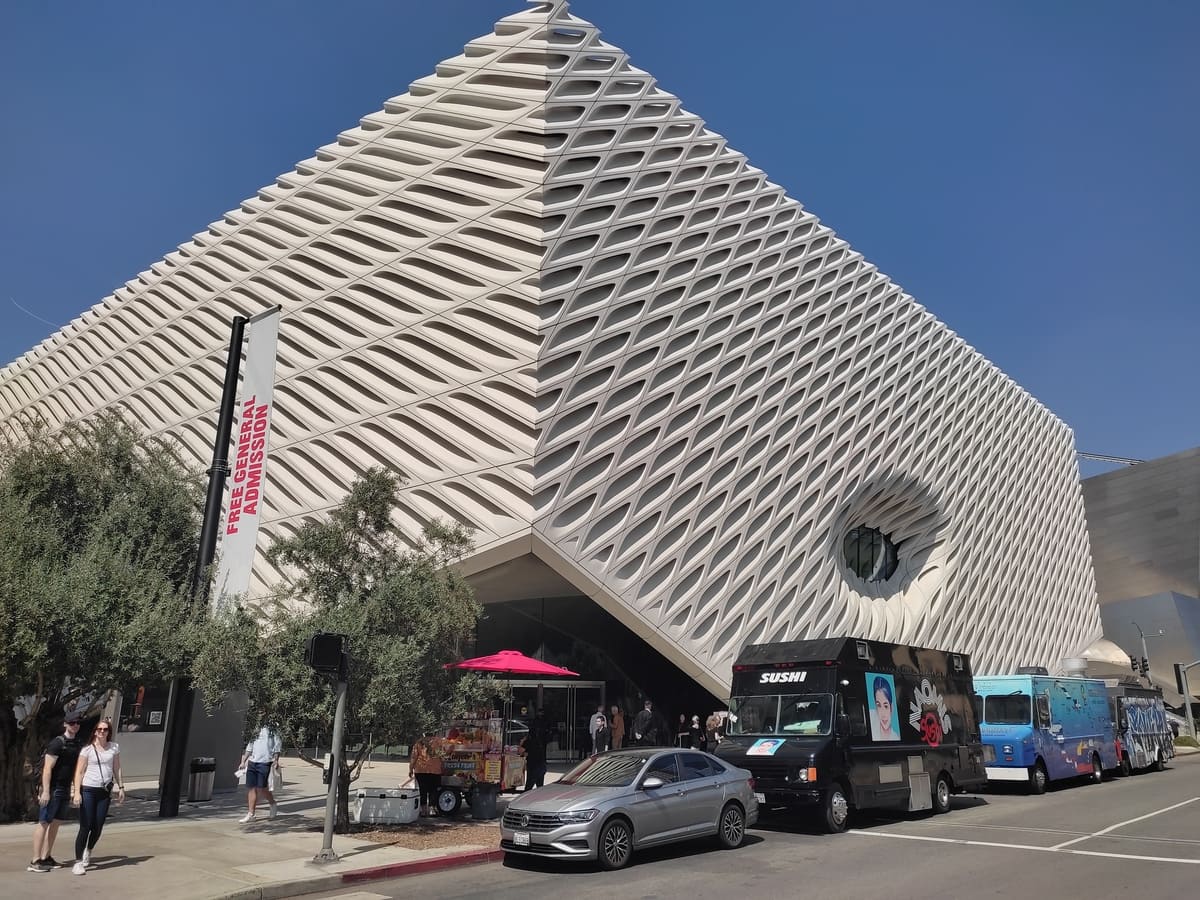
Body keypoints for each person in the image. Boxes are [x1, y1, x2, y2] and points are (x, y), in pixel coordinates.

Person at [29, 709, 84, 873]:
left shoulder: (78, 743)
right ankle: (35, 860)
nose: (75, 726)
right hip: (53, 789)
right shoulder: (57, 743)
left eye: (78, 723)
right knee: (44, 822)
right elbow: (47, 769)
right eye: (72, 722)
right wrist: (45, 791)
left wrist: (75, 789)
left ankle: (47, 856)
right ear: (66, 724)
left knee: (56, 823)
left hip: (65, 788)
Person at [70, 719, 123, 875]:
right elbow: (79, 772)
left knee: (98, 826)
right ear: (94, 731)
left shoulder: (114, 747)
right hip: (88, 790)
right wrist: (77, 792)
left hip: (104, 792)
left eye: (105, 729)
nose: (102, 732)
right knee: (85, 826)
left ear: (109, 732)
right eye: (99, 729)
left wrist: (121, 787)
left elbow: (117, 768)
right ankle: (78, 862)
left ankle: (89, 850)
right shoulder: (87, 750)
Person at [236, 724, 282, 824]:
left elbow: (277, 745)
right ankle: (251, 814)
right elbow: (250, 746)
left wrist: (276, 759)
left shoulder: (273, 728)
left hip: (265, 762)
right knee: (252, 788)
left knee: (262, 788)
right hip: (253, 762)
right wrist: (243, 761)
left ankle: (272, 803)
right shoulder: (255, 727)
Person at [409, 732, 444, 817]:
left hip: (421, 770)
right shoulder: (438, 742)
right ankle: (432, 809)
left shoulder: (419, 742)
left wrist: (410, 769)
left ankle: (423, 810)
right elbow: (443, 755)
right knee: (434, 790)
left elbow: (414, 757)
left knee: (422, 790)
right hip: (435, 770)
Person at [520, 709, 548, 791]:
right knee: (540, 787)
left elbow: (520, 751)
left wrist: (522, 743)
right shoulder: (539, 742)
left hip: (533, 768)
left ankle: (525, 802)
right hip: (541, 767)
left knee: (528, 788)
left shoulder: (528, 741)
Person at [870, 675, 899, 741]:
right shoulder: (871, 717)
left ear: (891, 708)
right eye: (879, 705)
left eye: (886, 706)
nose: (883, 714)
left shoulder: (895, 737)